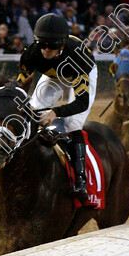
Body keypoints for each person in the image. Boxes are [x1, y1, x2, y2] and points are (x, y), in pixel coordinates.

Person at [17, 13, 97, 200]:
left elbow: (81, 102)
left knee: (72, 123)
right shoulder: (31, 53)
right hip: (54, 76)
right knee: (33, 112)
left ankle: (80, 181)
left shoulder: (78, 56)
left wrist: (55, 112)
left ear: (62, 44)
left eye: (51, 45)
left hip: (79, 73)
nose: (46, 49)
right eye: (41, 44)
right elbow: (20, 87)